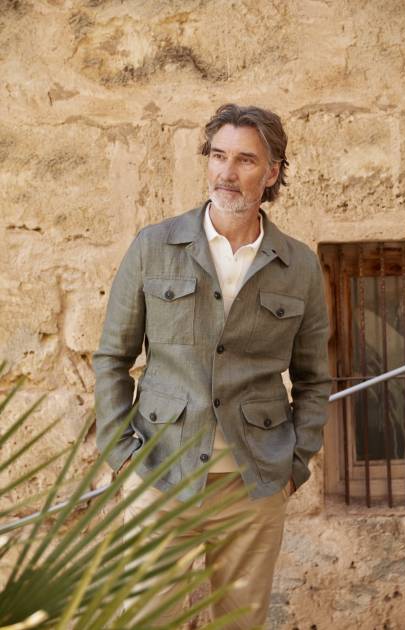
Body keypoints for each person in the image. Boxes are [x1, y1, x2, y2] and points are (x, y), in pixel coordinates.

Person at [93, 103, 331, 628]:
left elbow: (315, 378)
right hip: (160, 471)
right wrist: (123, 456)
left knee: (240, 622)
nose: (227, 172)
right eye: (218, 156)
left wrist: (295, 465)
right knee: (147, 619)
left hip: (255, 482)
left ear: (272, 173)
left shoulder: (299, 266)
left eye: (245, 160)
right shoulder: (154, 247)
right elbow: (112, 357)